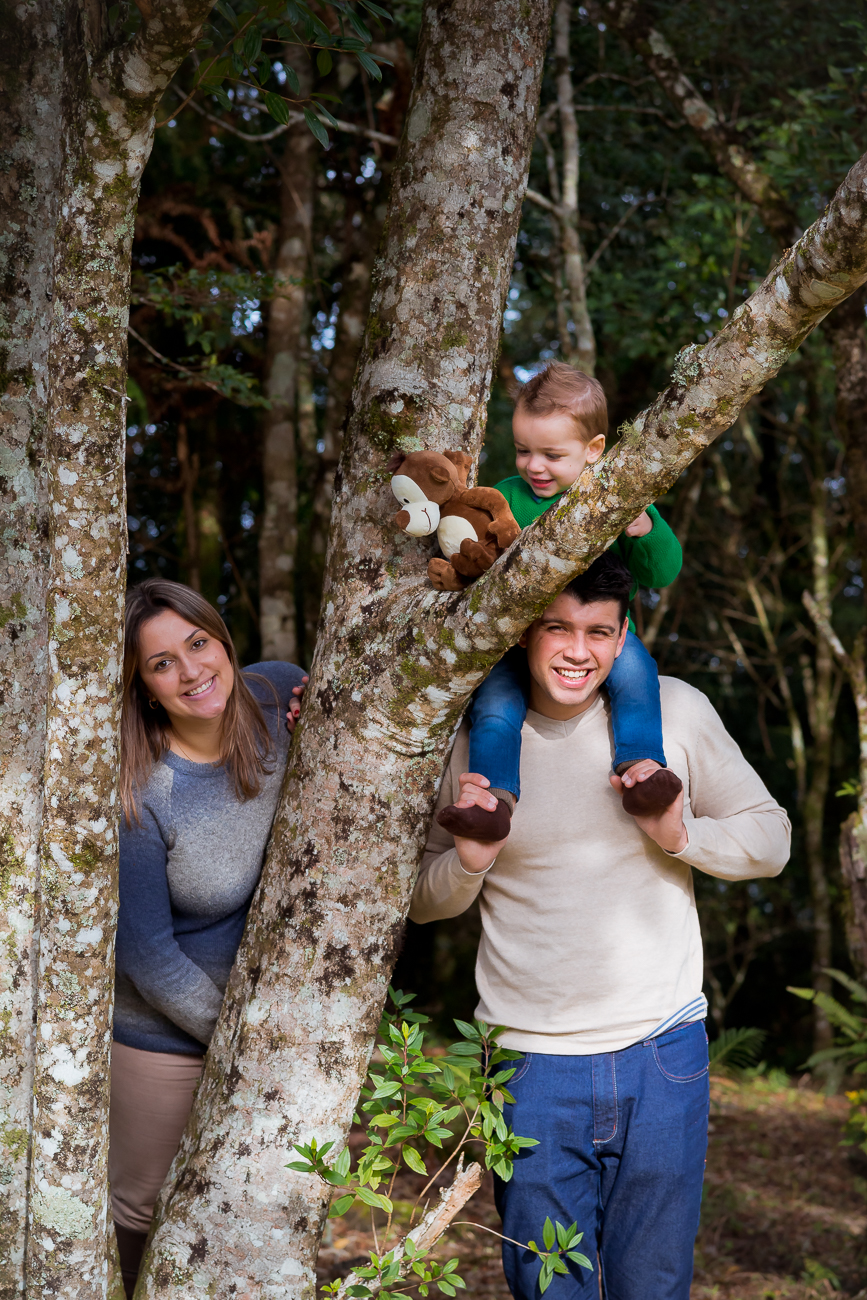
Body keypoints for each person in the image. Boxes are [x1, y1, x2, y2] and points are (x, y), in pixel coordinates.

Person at [411, 553, 790, 1300]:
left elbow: (770, 840)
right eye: (555, 627)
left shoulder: (673, 712)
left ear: (622, 642)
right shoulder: (471, 738)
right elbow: (423, 902)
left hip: (662, 1052)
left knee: (652, 1286)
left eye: (597, 631)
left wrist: (679, 835)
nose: (576, 650)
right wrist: (472, 860)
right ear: (522, 633)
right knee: (549, 1290)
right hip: (527, 1066)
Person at [111, 578, 306, 1297]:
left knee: (255, 1217)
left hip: (268, 1028)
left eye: (198, 644)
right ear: (143, 686)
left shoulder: (278, 696)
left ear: (223, 641)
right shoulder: (145, 791)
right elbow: (146, 955)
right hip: (160, 1039)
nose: (192, 671)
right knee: (143, 1208)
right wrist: (240, 1044)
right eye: (162, 663)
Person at [437, 362, 683, 843]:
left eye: (552, 455)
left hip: (599, 637)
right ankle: (493, 801)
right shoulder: (504, 498)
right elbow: (467, 548)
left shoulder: (615, 497)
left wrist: (644, 528)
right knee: (495, 705)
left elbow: (662, 572)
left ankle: (642, 766)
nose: (534, 466)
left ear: (594, 451)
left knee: (637, 675)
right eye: (523, 451)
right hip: (511, 641)